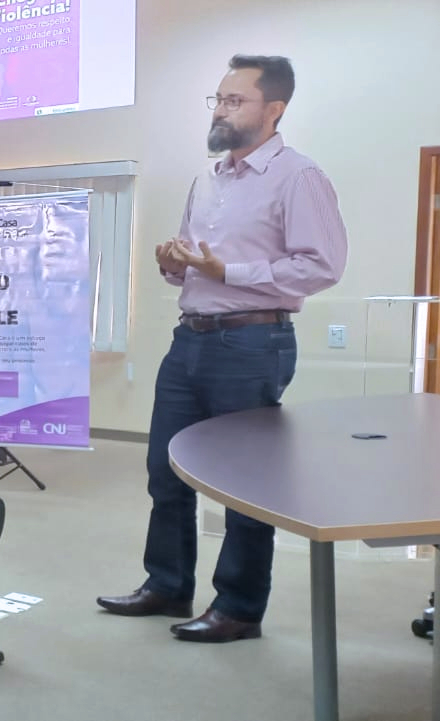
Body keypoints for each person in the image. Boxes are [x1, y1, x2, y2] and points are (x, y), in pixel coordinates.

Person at [96, 55, 348, 642]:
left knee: (243, 482)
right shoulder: (207, 179)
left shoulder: (299, 177)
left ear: (274, 109)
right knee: (165, 471)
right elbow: (195, 266)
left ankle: (237, 608)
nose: (221, 110)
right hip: (191, 339)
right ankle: (166, 585)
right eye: (217, 99)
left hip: (254, 342)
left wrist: (227, 271)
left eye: (235, 101)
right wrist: (175, 264)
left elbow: (322, 266)